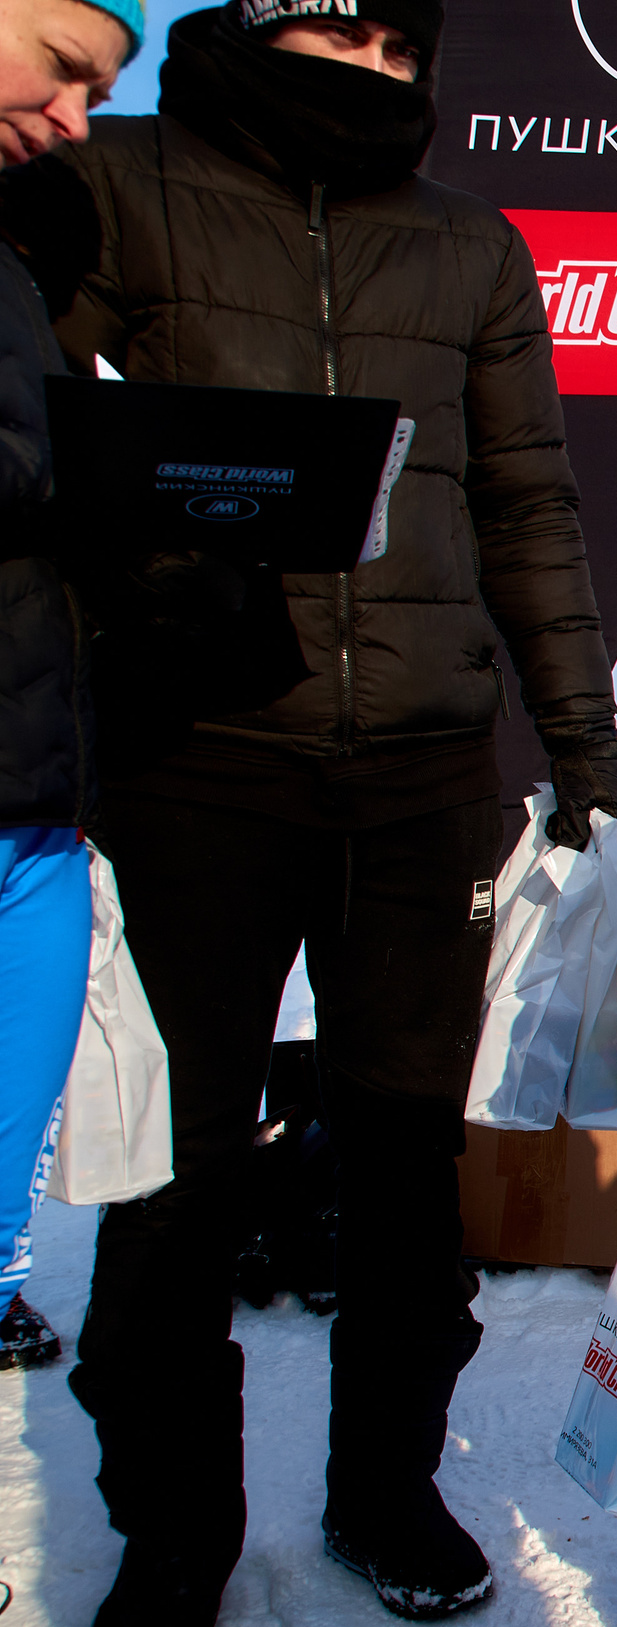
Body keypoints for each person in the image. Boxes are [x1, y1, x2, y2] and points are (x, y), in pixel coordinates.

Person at [47, 0, 617, 1627]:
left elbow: (529, 499)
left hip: (424, 768)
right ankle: (173, 1525)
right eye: (329, 28)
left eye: (396, 48)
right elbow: (29, 423)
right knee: (174, 1164)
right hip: (195, 760)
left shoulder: (470, 244)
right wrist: (134, 570)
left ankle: (386, 1490)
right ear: (246, 23)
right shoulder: (119, 181)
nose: (363, 72)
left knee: (401, 1156)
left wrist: (582, 740)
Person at [0, 0, 143, 1376]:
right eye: (63, 70)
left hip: (35, 770)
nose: (73, 123)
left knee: (18, 1077)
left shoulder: (18, 257)